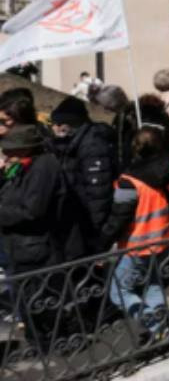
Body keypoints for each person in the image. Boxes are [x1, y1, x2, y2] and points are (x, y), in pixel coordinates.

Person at [101, 125, 169, 343]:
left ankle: (155, 325)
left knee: (119, 292)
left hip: (138, 244)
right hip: (163, 239)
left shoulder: (130, 181)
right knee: (152, 284)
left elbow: (118, 217)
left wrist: (100, 245)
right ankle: (162, 327)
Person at [47, 96, 117, 257]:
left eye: (59, 124)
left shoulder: (93, 145)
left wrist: (97, 232)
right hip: (76, 216)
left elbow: (98, 192)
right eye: (54, 124)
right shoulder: (66, 142)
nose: (55, 128)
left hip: (89, 221)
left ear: (71, 125)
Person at [0, 124, 74, 273]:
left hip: (36, 250)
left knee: (35, 292)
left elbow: (32, 210)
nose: (6, 152)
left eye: (10, 148)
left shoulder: (44, 166)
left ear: (26, 148)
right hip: (20, 247)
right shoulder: (26, 165)